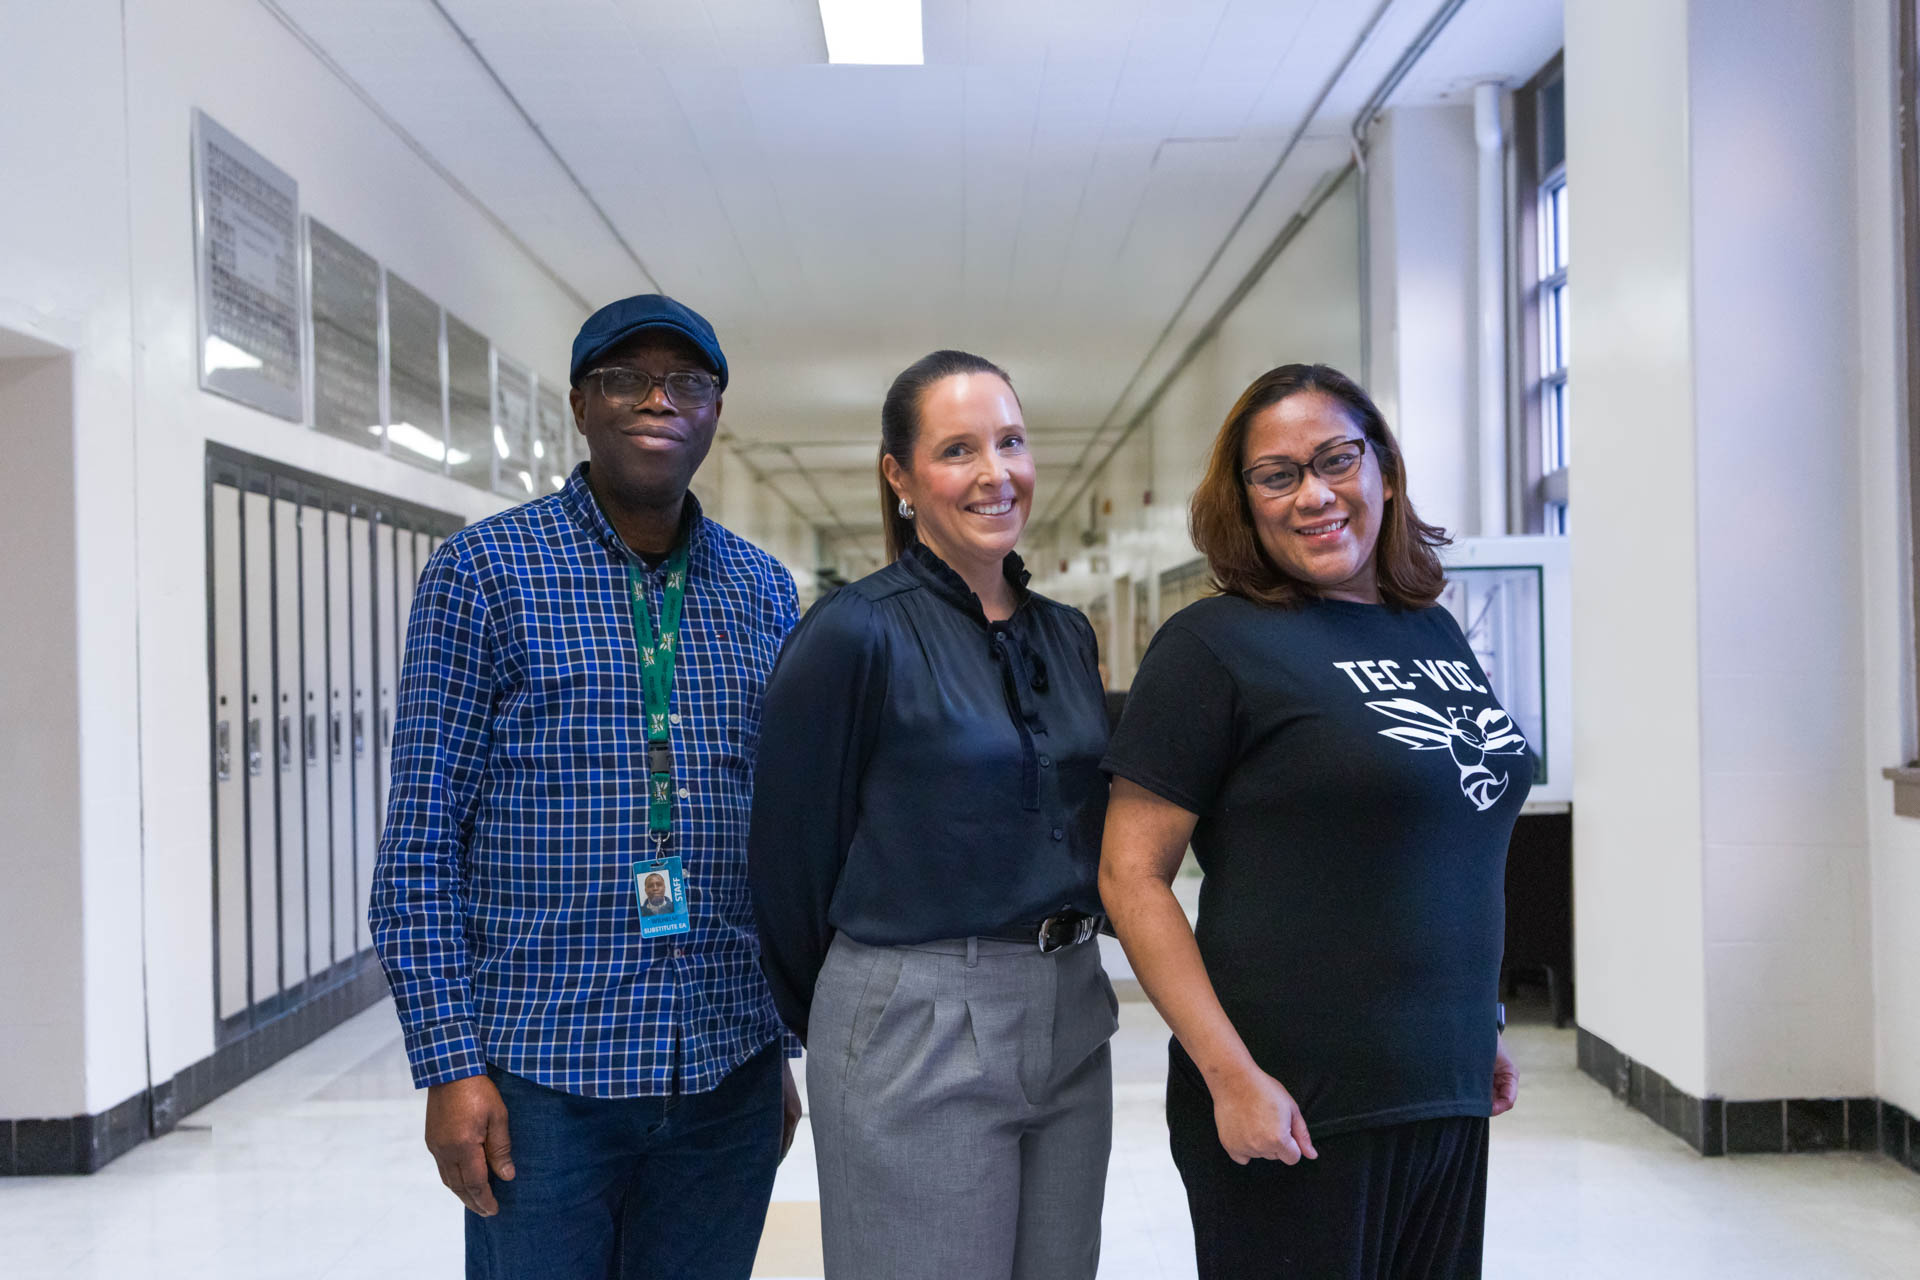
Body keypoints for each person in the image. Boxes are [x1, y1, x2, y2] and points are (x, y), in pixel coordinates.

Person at [371, 294, 804, 1280]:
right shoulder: (483, 573)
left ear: (715, 410)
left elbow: (776, 834)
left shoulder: (763, 590)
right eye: (624, 378)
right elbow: (420, 844)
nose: (657, 399)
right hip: (542, 1077)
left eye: (685, 381)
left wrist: (774, 1046)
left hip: (722, 1069)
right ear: (579, 403)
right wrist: (449, 1064)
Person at [1098, 364, 1527, 1280]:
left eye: (1337, 459)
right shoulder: (1213, 646)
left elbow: (1449, 840)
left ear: (1383, 470)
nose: (1315, 494)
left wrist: (1478, 1022)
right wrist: (1229, 1076)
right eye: (1277, 473)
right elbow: (1130, 876)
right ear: (1242, 500)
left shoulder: (1433, 630)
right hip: (1293, 1105)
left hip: (1441, 1088)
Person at [749, 351, 1117, 1280]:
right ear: (900, 476)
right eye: (958, 450)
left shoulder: (1066, 634)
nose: (996, 473)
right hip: (913, 1016)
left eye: (1011, 442)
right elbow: (790, 861)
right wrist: (855, 1015)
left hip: (1070, 1006)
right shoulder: (854, 633)